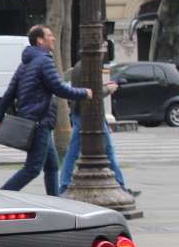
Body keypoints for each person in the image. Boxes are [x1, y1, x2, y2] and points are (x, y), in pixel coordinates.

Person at [0, 25, 92, 196]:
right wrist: (85, 93)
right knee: (33, 168)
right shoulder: (44, 61)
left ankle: (55, 201)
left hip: (35, 121)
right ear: (40, 40)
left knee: (52, 166)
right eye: (50, 35)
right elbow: (59, 88)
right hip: (39, 121)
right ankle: (0, 196)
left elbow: (9, 93)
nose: (53, 38)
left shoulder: (25, 64)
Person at [59, 61, 138, 197]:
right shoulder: (90, 65)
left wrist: (101, 86)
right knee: (108, 149)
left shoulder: (78, 66)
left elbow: (84, 88)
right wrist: (108, 90)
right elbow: (92, 95)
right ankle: (121, 186)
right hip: (91, 116)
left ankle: (64, 186)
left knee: (72, 152)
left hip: (78, 113)